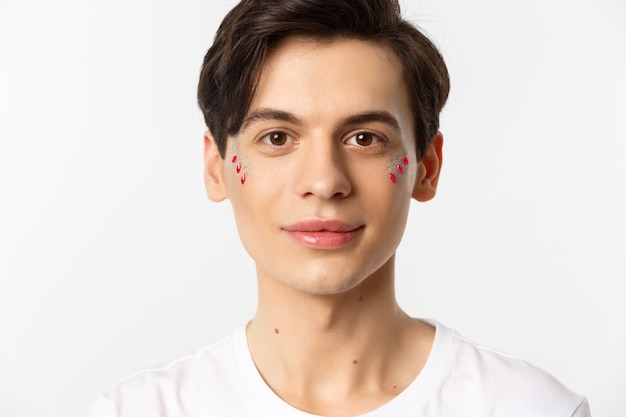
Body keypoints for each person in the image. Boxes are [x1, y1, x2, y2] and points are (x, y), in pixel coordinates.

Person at [87, 0, 591, 415]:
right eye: (278, 137)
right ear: (216, 167)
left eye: (364, 137)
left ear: (426, 167)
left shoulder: (533, 408)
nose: (324, 182)